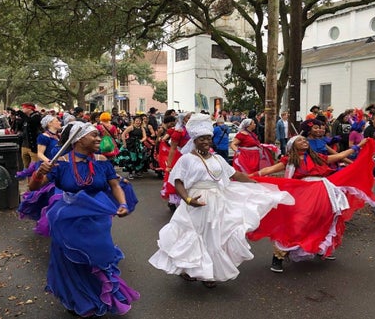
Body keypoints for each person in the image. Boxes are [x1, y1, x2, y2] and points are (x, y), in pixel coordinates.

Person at [148, 114, 294, 288]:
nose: (206, 142)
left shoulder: (217, 158)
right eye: (202, 138)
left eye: (208, 138)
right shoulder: (187, 159)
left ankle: (208, 273)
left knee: (214, 236)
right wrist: (187, 199)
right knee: (194, 235)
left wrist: (254, 181)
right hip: (196, 202)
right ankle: (189, 268)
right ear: (194, 140)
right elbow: (178, 181)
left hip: (217, 202)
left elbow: (234, 174)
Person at [29, 122, 139, 316]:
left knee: (100, 257)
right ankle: (79, 299)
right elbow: (33, 187)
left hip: (97, 218)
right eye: (94, 135)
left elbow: (114, 185)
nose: (99, 139)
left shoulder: (102, 160)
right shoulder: (60, 162)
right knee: (72, 261)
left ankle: (99, 294)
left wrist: (122, 204)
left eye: (99, 135)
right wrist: (40, 172)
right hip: (67, 218)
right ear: (79, 139)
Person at [247, 135, 375, 272]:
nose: (304, 141)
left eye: (305, 139)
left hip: (323, 193)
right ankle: (278, 257)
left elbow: (340, 156)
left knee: (324, 220)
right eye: (300, 140)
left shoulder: (318, 158)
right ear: (292, 146)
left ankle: (320, 248)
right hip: (304, 194)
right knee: (297, 223)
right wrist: (248, 177)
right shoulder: (290, 161)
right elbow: (268, 170)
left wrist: (358, 146)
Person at [16, 102, 42, 169]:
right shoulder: (25, 118)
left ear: (29, 108)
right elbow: (19, 128)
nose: (22, 109)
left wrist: (20, 113)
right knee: (26, 167)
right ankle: (28, 179)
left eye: (24, 108)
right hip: (24, 146)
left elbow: (31, 122)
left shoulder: (36, 116)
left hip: (33, 147)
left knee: (34, 167)